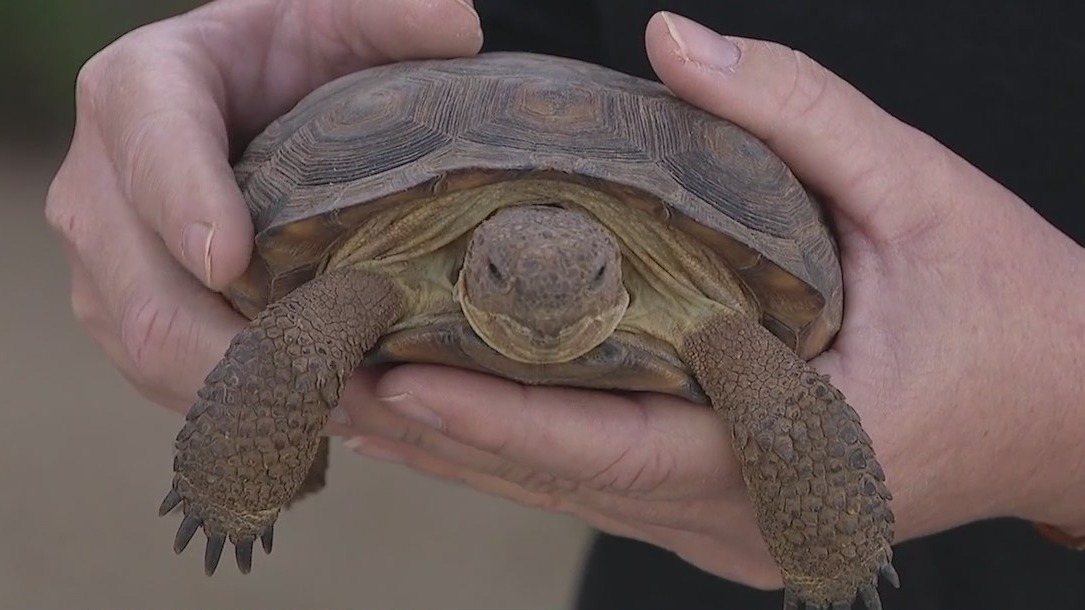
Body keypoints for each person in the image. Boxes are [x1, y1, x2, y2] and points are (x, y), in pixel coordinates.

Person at [45, 1, 1085, 608]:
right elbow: (500, 27)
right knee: (294, 347)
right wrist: (242, 50)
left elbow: (789, 406)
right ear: (472, 268)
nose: (541, 314)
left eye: (579, 289)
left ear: (613, 276)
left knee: (781, 422)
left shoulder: (712, 313)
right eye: (501, 281)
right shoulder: (382, 266)